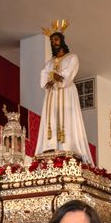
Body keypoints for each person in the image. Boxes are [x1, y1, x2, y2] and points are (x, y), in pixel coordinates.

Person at [35, 31, 94, 165]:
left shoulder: (72, 57)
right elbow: (44, 77)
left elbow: (67, 77)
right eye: (51, 41)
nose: (54, 43)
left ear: (62, 40)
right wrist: (50, 79)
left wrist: (56, 77)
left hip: (66, 92)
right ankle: (51, 146)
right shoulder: (49, 62)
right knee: (51, 118)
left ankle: (67, 147)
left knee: (67, 117)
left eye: (56, 39)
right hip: (52, 94)